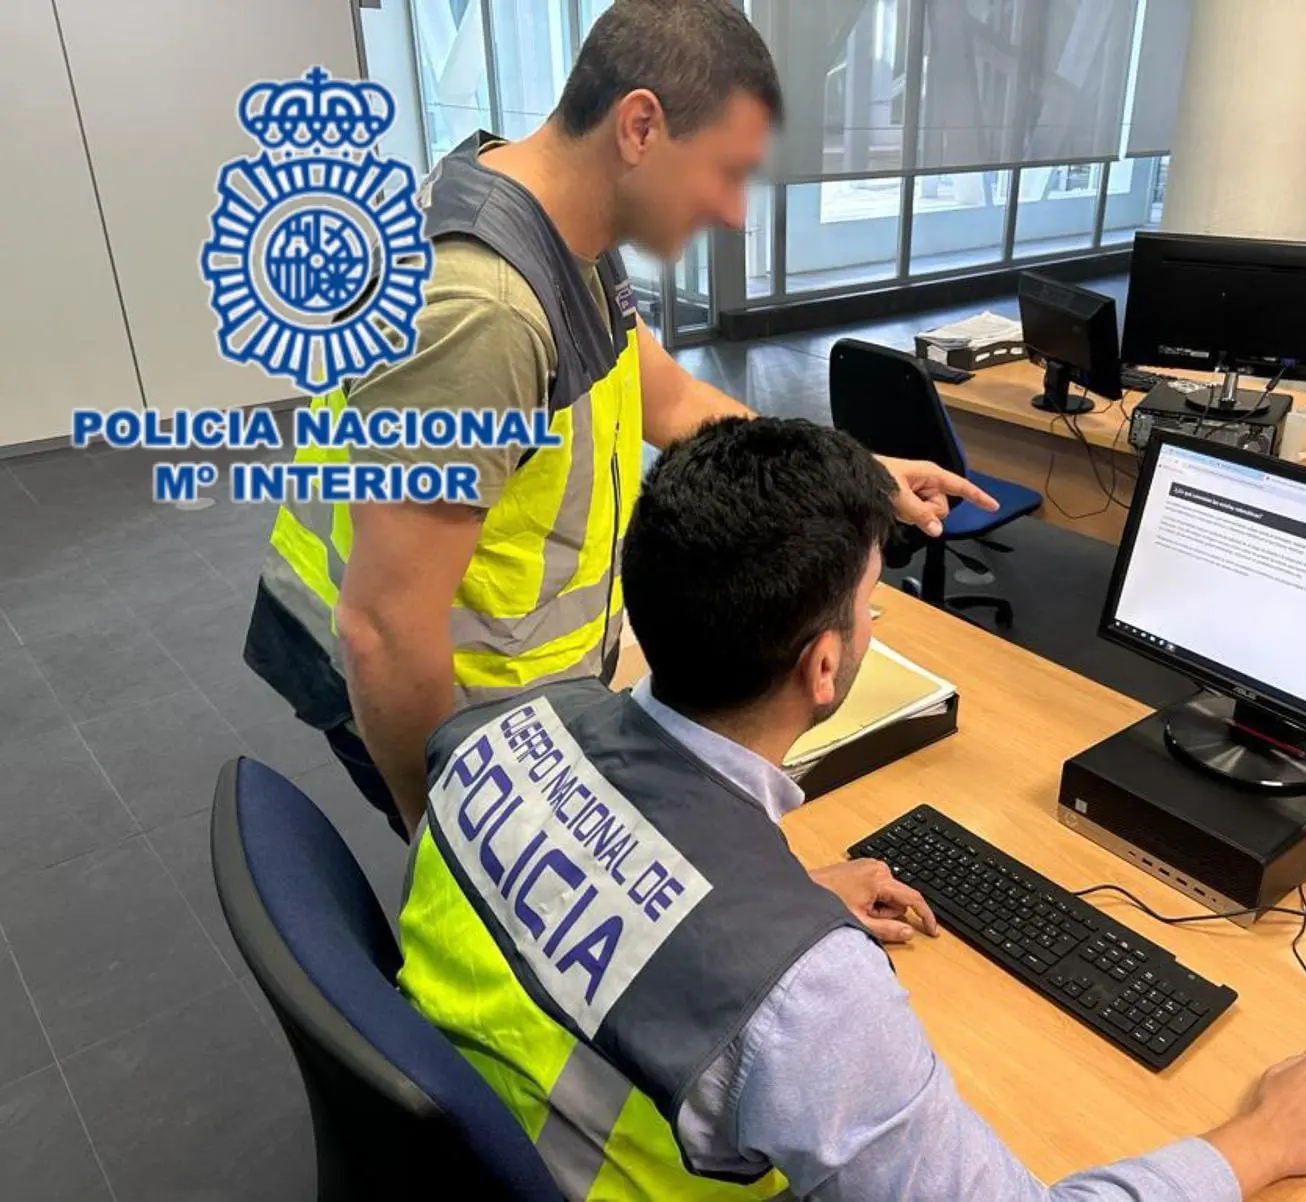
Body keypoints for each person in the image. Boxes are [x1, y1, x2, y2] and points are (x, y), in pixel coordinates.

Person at [397, 416, 1306, 1201]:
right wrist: (1260, 1141)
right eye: (870, 599)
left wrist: (780, 895)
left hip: (488, 1144)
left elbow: (588, 873)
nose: (871, 617)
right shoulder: (809, 998)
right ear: (824, 666)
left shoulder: (500, 728)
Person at [241, 0, 992, 839]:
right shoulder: (487, 310)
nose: (734, 212)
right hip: (437, 698)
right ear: (640, 126)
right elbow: (383, 631)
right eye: (726, 172)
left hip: (507, 683)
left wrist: (855, 474)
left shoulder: (558, 229)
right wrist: (443, 837)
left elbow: (668, 400)